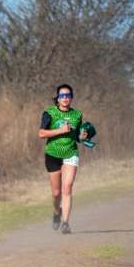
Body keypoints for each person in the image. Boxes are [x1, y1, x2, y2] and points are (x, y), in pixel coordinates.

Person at [38, 84, 89, 234]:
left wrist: (82, 136)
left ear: (71, 98)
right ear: (58, 98)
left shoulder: (77, 115)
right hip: (52, 154)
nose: (65, 98)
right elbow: (41, 133)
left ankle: (65, 222)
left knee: (67, 188)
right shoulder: (49, 113)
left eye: (68, 95)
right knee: (56, 193)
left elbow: (77, 137)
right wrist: (60, 130)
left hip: (70, 153)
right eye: (62, 96)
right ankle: (56, 212)